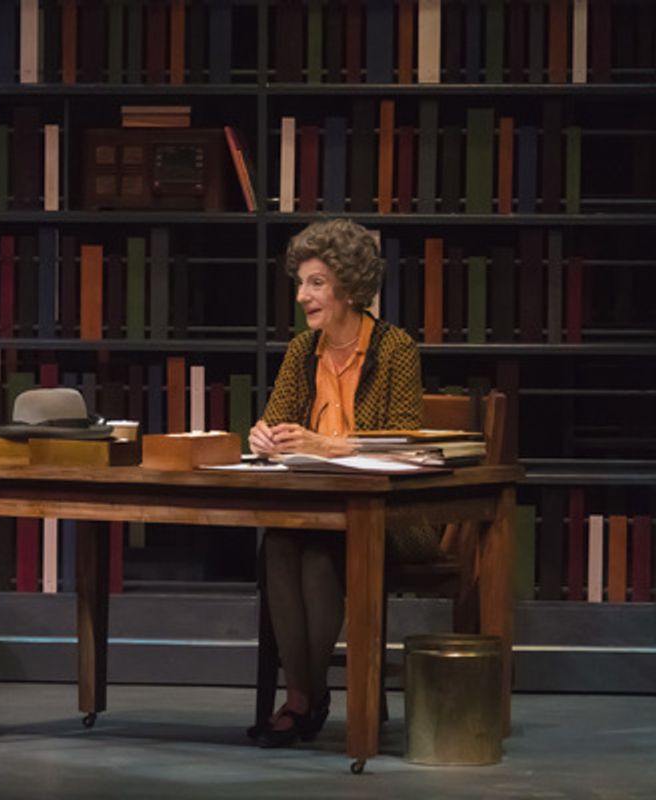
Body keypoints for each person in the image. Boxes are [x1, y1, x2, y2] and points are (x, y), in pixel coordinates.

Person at [247, 219, 426, 748]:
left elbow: (403, 444)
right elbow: (277, 422)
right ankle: (308, 695)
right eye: (301, 283)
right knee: (279, 544)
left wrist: (332, 446)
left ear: (347, 285)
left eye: (316, 283)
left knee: (321, 555)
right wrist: (263, 436)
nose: (303, 295)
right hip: (310, 509)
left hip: (385, 517)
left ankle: (304, 697)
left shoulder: (396, 350)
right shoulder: (302, 351)